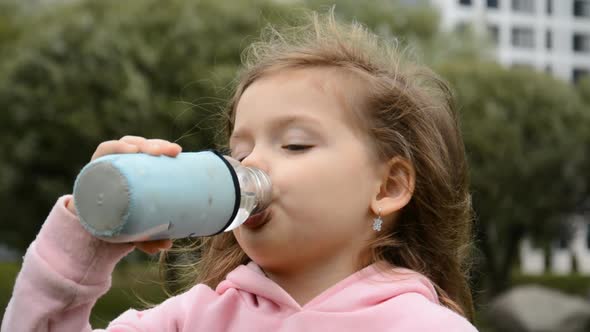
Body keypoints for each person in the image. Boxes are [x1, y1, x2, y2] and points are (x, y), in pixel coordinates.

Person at [2, 10, 478, 332]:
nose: (251, 166)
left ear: (388, 186)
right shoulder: (194, 318)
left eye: (294, 144)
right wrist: (87, 238)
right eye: (239, 150)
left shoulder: (423, 324)